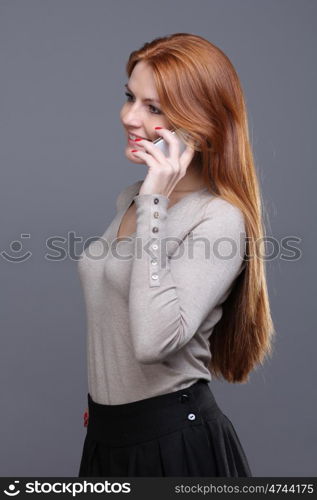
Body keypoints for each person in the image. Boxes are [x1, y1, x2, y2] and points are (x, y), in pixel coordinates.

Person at [77, 32, 274, 477]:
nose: (129, 116)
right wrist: (149, 200)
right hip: (107, 438)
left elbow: (152, 342)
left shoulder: (218, 218)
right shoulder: (130, 198)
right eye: (130, 97)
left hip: (174, 448)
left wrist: (154, 202)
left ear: (200, 120)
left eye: (154, 108)